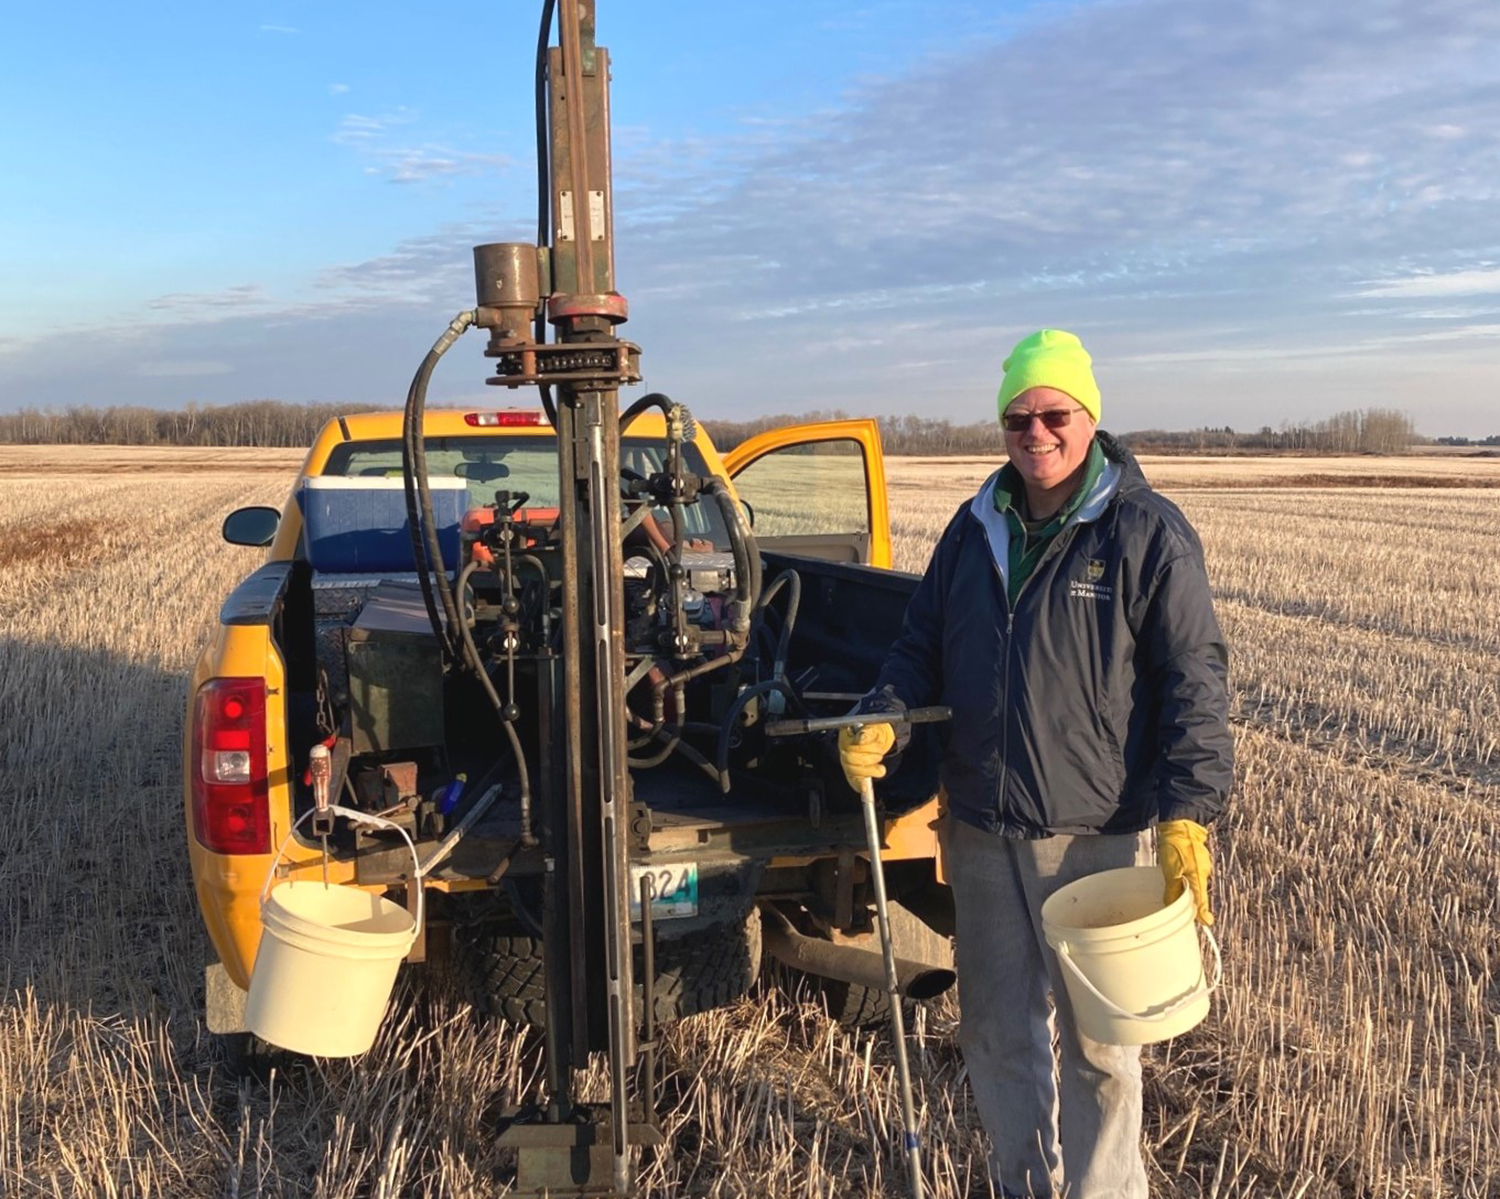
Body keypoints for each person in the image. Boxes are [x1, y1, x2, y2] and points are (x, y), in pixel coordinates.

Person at [838, 329, 1233, 1199]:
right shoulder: (977, 525)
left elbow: (1193, 679)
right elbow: (919, 646)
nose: (1035, 431)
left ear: (1089, 417)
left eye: (1054, 412)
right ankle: (1023, 1185)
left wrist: (1187, 812)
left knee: (1101, 1047)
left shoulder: (1143, 532)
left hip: (1090, 835)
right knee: (996, 1035)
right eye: (1018, 415)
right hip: (979, 827)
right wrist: (885, 714)